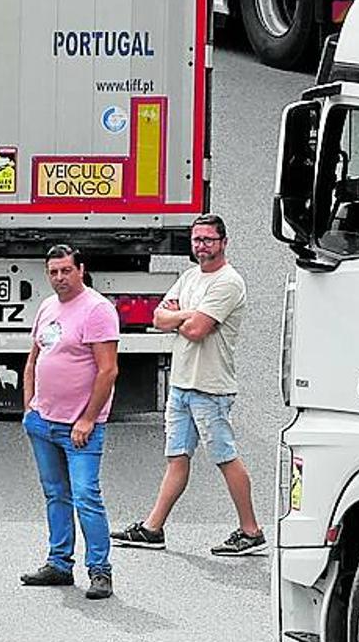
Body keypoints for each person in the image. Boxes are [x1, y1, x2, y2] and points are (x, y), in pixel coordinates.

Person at [111, 214, 265, 556]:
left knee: (226, 458)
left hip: (210, 388)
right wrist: (186, 315)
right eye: (197, 240)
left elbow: (197, 331)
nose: (202, 246)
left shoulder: (228, 282)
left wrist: (179, 317)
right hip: (181, 385)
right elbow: (158, 317)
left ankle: (251, 530)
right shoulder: (190, 276)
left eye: (209, 239)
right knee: (176, 459)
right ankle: (153, 529)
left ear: (223, 242)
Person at [20, 244, 120, 599]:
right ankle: (59, 563)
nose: (60, 278)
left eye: (66, 270)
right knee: (55, 494)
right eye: (53, 272)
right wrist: (29, 407)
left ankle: (100, 570)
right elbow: (34, 358)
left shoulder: (97, 310)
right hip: (43, 422)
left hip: (80, 429)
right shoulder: (47, 307)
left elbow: (108, 370)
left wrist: (88, 419)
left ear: (80, 269)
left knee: (86, 496)